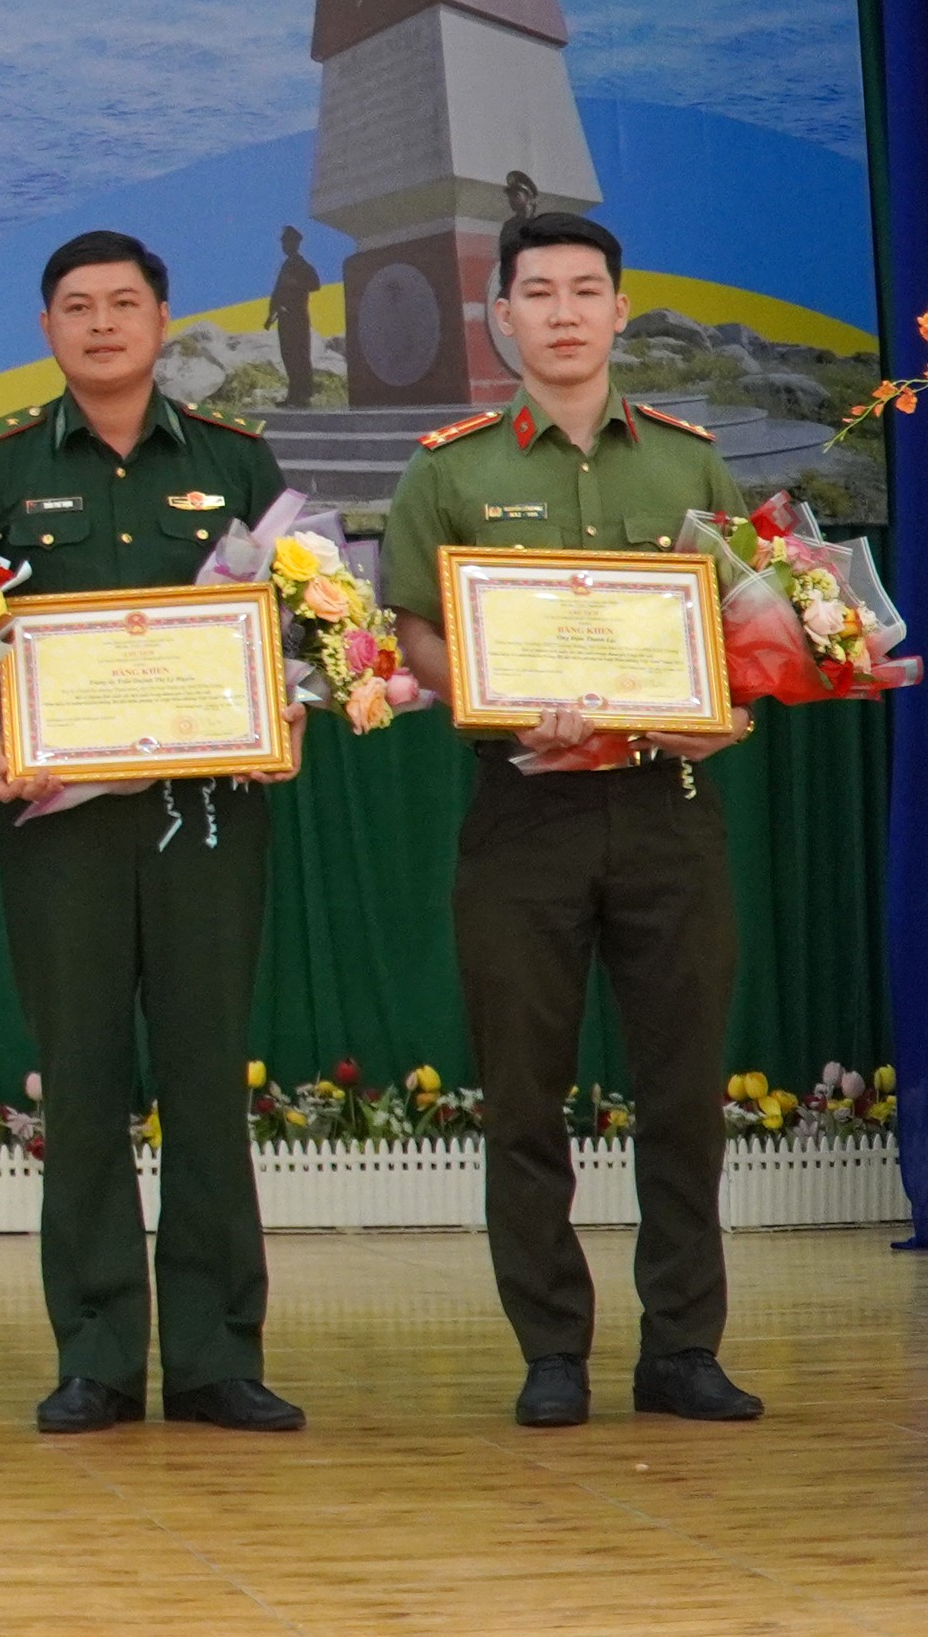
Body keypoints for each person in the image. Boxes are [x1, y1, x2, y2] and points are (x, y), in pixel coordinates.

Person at [381, 211, 764, 1429]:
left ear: (617, 311)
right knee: (525, 1090)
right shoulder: (452, 468)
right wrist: (491, 699)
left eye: (584, 290)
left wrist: (732, 710)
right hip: (525, 814)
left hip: (668, 808)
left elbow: (747, 629)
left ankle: (683, 1349)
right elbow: (417, 637)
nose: (561, 311)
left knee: (683, 1090)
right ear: (500, 316)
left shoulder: (689, 463)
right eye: (535, 291)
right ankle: (552, 1349)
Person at [0, 229, 301, 1436]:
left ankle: (215, 1356)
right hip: (55, 824)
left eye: (125, 304)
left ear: (161, 320)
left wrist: (281, 706)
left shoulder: (238, 464)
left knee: (206, 1078)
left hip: (209, 815)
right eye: (78, 308)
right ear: (46, 330)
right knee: (83, 1080)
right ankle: (96, 1350)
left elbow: (287, 628)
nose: (102, 325)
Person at [265, 226, 322, 405]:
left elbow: (315, 284)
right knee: (288, 356)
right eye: (283, 242)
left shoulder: (301, 264)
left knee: (300, 356)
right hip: (285, 319)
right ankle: (293, 395)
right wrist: (271, 315)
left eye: (287, 242)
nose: (284, 245)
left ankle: (303, 396)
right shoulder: (286, 265)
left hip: (297, 318)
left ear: (295, 243)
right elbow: (278, 292)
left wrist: (295, 283)